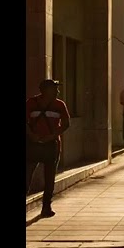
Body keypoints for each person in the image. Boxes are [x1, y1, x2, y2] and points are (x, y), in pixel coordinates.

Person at [27, 78, 71, 218]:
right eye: (55, 88)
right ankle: (44, 206)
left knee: (49, 177)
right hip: (35, 144)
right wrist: (32, 135)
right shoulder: (31, 103)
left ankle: (46, 206)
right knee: (29, 174)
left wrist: (51, 136)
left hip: (49, 144)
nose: (58, 91)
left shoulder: (59, 105)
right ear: (45, 90)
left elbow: (66, 123)